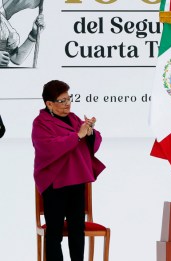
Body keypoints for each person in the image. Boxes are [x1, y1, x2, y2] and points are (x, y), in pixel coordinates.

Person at [32, 80, 105, 261]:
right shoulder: (40, 123)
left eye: (68, 99)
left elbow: (92, 142)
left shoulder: (73, 118)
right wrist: (77, 135)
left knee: (77, 231)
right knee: (54, 233)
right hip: (55, 184)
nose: (67, 104)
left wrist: (89, 132)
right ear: (49, 103)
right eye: (62, 101)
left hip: (76, 181)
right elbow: (48, 148)